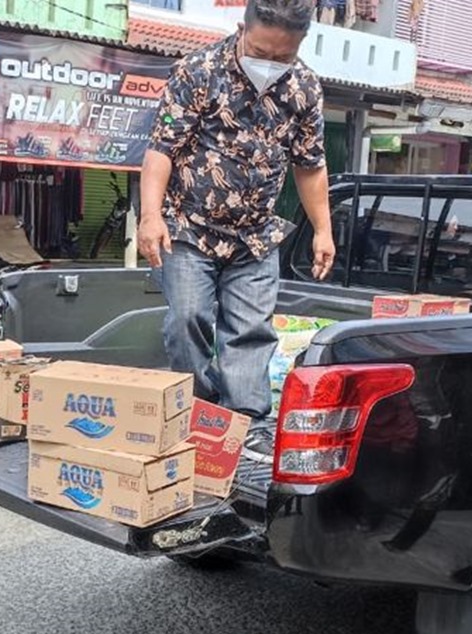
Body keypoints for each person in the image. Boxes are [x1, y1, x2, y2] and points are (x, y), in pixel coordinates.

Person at [139, 0, 335, 462]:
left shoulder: (304, 88)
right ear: (241, 28)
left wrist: (323, 230)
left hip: (254, 237)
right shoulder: (198, 71)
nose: (270, 64)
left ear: (301, 45)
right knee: (189, 320)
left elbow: (310, 167)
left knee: (250, 331)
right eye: (262, 50)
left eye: (283, 57)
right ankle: (199, 416)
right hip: (188, 229)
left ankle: (243, 427)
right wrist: (150, 216)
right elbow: (161, 150)